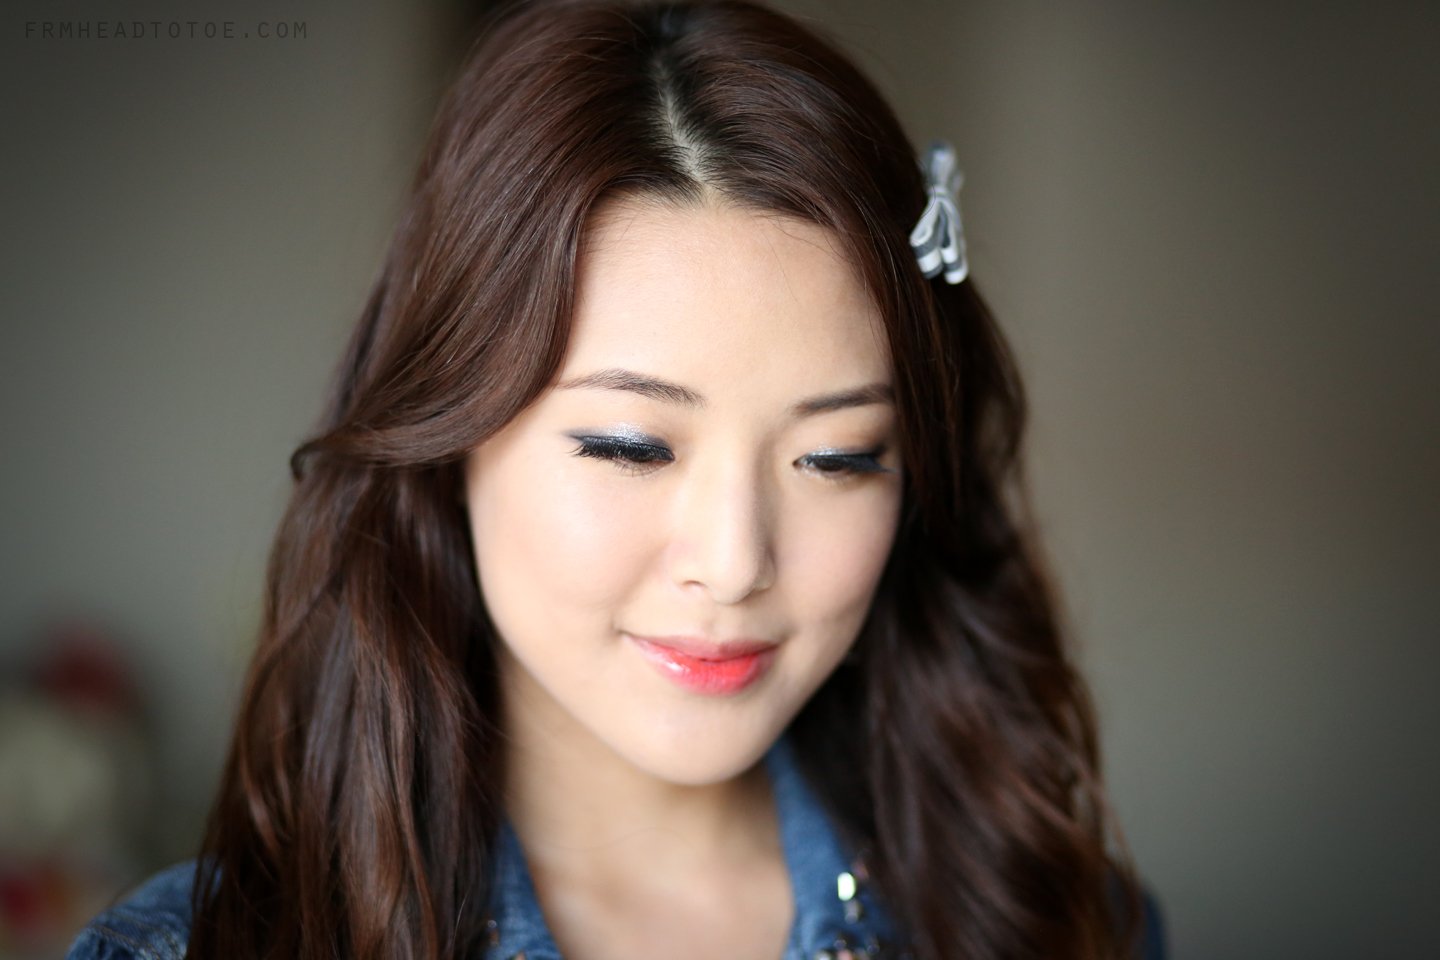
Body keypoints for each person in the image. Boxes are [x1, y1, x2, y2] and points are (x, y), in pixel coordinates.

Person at [67, 1, 1166, 958]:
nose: (734, 561)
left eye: (837, 458)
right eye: (632, 446)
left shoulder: (1057, 923)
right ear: (449, 440)